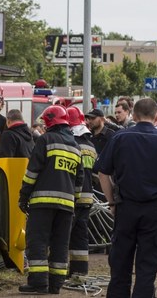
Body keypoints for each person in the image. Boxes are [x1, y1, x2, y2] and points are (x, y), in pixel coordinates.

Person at [97, 98, 157, 297]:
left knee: (120, 265)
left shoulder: (119, 138)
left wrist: (111, 202)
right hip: (155, 211)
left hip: (126, 208)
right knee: (147, 268)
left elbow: (103, 173)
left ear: (133, 115)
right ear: (156, 117)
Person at [18, 105, 84, 295]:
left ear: (49, 122)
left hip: (43, 203)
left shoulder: (45, 140)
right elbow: (79, 181)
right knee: (60, 244)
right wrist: (74, 202)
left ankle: (38, 283)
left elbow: (32, 172)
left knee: (38, 241)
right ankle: (55, 285)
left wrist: (24, 196)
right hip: (67, 207)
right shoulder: (75, 146)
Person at [66, 106, 97, 277]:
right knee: (80, 234)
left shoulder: (73, 145)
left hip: (72, 196)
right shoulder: (91, 146)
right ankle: (80, 270)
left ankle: (60, 270)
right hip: (87, 197)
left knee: (63, 234)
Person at [0, 109, 34, 195]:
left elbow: (3, 162)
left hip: (10, 184)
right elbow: (20, 149)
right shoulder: (29, 137)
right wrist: (1, 140)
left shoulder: (8, 135)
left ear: (8, 121)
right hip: (25, 184)